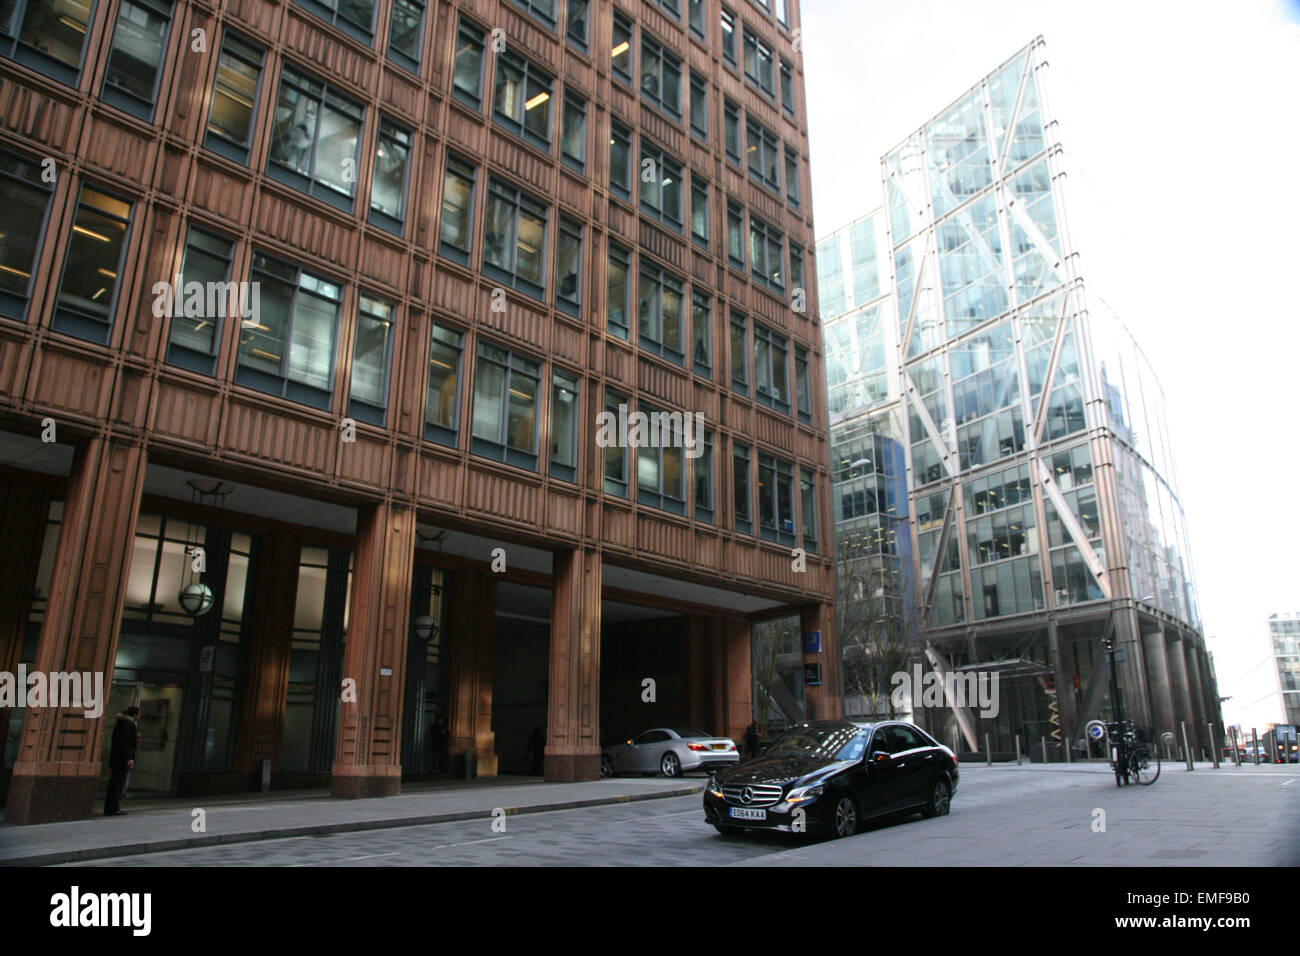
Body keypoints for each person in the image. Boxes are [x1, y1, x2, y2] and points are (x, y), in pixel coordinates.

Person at [105, 706, 140, 817]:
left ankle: (112, 808)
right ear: (134, 715)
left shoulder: (122, 724)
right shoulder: (127, 725)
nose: (140, 716)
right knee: (117, 784)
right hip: (121, 760)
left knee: (115, 783)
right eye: (139, 714)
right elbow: (125, 743)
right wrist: (129, 758)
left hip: (118, 758)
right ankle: (113, 809)